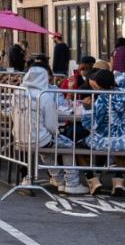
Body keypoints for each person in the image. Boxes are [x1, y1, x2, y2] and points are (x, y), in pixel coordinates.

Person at [14, 61, 84, 194]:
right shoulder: (45, 96)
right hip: (40, 138)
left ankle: (56, 178)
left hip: (20, 138)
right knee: (68, 145)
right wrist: (54, 132)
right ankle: (71, 182)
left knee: (46, 149)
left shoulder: (18, 93)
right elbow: (51, 126)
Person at [81, 68, 125, 196]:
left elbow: (90, 125)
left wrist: (87, 109)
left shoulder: (101, 100)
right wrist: (117, 74)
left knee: (77, 147)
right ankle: (118, 183)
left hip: (103, 142)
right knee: (120, 149)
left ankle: (93, 181)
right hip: (124, 139)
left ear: (99, 85)